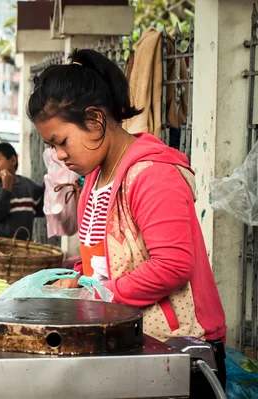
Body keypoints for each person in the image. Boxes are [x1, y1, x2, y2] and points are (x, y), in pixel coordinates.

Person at [28, 49, 226, 397]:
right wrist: (75, 280)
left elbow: (174, 264)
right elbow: (111, 259)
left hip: (178, 351)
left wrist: (100, 295)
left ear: (95, 119)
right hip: (131, 342)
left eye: (60, 142)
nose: (59, 155)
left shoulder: (153, 175)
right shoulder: (96, 176)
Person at [0, 142, 44, 240]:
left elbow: (42, 207)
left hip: (19, 245)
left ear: (13, 160)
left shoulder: (29, 186)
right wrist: (6, 188)